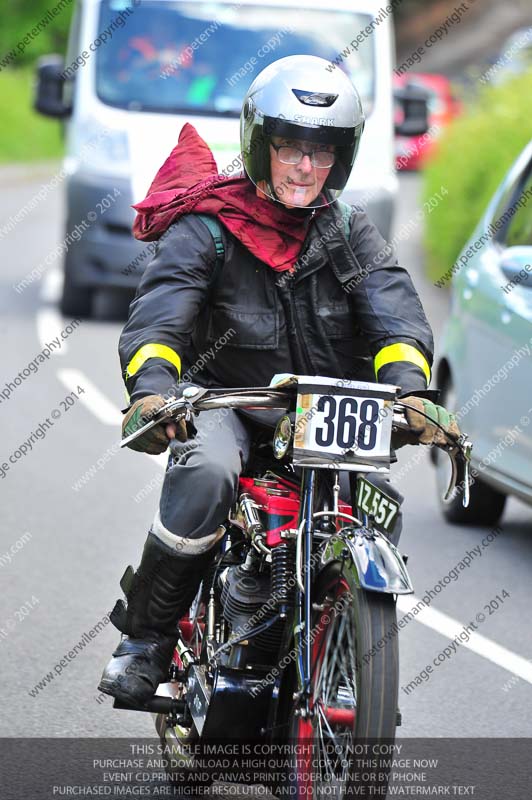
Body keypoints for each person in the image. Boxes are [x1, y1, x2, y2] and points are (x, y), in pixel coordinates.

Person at [98, 55, 460, 706]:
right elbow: (160, 318)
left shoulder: (351, 233)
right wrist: (154, 391)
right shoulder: (208, 229)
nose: (304, 166)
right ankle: (146, 642)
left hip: (323, 417)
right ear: (261, 146)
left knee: (374, 506)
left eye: (321, 153)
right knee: (207, 471)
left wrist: (410, 390)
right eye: (291, 147)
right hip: (226, 403)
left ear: (340, 160)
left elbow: (395, 317)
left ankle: (339, 647)